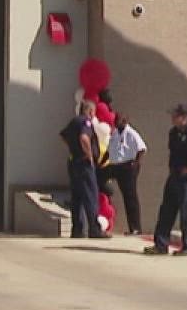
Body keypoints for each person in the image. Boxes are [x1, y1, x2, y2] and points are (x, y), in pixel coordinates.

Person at [146, 103, 187, 256]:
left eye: (175, 116)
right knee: (166, 210)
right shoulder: (173, 133)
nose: (173, 118)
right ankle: (161, 245)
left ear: (184, 117)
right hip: (174, 174)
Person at [59, 99, 105, 238]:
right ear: (90, 111)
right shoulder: (86, 122)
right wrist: (89, 155)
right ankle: (94, 229)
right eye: (93, 113)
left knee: (77, 197)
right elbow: (84, 138)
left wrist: (73, 149)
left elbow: (63, 135)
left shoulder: (74, 122)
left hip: (74, 162)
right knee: (91, 195)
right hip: (84, 164)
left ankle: (77, 229)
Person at [103, 111, 147, 235]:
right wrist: (101, 162)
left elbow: (142, 148)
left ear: (125, 121)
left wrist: (136, 163)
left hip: (128, 166)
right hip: (115, 166)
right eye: (115, 120)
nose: (116, 122)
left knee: (130, 196)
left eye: (118, 120)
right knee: (99, 178)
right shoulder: (115, 133)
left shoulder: (131, 133)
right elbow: (109, 151)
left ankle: (135, 228)